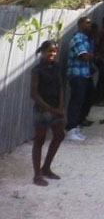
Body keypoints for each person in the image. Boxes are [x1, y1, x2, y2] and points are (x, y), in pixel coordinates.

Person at [31, 40, 65, 186]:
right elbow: (33, 94)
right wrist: (51, 109)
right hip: (42, 110)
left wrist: (61, 106)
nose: (53, 54)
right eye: (50, 51)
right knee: (39, 140)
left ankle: (46, 168)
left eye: (55, 51)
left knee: (59, 135)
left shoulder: (57, 67)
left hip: (56, 109)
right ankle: (37, 175)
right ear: (43, 51)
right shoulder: (37, 70)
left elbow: (61, 87)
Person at [65, 17, 94, 142]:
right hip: (77, 74)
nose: (89, 25)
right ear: (80, 24)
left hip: (85, 74)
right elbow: (84, 56)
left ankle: (76, 126)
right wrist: (92, 55)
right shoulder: (77, 38)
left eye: (90, 23)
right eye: (87, 23)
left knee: (84, 100)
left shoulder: (85, 39)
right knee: (76, 101)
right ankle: (70, 129)